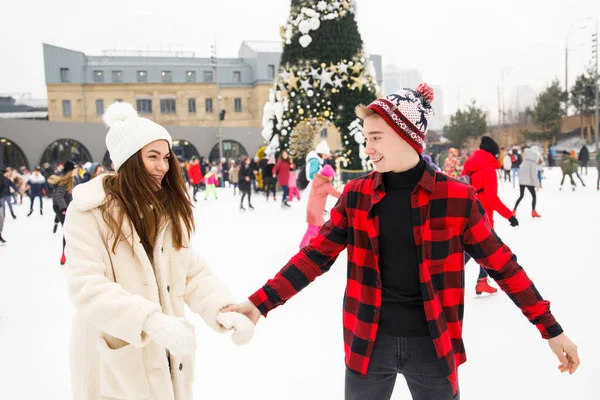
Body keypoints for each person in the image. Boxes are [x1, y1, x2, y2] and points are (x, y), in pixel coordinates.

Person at [225, 84, 579, 400]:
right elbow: (314, 256)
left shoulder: (457, 198)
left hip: (433, 345)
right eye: (366, 138)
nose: (369, 148)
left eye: (376, 137)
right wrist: (260, 303)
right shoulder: (356, 195)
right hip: (367, 342)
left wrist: (551, 329)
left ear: (406, 136)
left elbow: (502, 265)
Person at [63, 102, 254, 400]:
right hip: (115, 362)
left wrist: (223, 309)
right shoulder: (89, 212)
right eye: (152, 156)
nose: (163, 166)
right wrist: (149, 321)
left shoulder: (165, 210)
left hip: (167, 355)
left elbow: (190, 273)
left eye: (166, 157)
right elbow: (86, 286)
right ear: (129, 159)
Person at [460, 136, 518, 296]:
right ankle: (443, 280)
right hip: (482, 217)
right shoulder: (488, 170)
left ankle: (482, 281)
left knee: (474, 249)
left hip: (466, 213)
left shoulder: (469, 166)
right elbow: (492, 198)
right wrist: (510, 216)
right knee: (481, 250)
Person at [299, 164, 340, 248]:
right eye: (331, 176)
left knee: (319, 228)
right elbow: (336, 194)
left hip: (311, 207)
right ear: (328, 176)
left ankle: (316, 245)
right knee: (313, 228)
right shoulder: (326, 184)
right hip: (316, 210)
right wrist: (347, 194)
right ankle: (303, 247)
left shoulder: (317, 180)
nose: (332, 178)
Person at [49, 160, 77, 265]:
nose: (76, 171)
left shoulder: (75, 179)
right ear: (70, 170)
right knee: (67, 231)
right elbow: (59, 196)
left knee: (71, 231)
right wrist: (63, 208)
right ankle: (64, 255)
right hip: (61, 209)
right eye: (74, 169)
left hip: (69, 208)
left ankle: (71, 254)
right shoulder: (64, 182)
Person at [513, 146, 542, 218]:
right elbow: (534, 175)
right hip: (529, 182)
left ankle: (514, 210)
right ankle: (533, 211)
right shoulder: (532, 163)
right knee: (534, 196)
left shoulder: (524, 161)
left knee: (521, 196)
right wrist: (537, 184)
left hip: (522, 182)